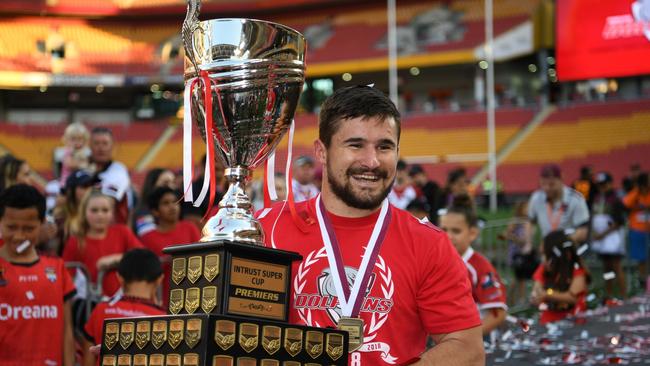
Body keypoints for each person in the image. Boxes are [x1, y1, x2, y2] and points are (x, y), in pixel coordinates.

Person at [257, 85, 483, 365]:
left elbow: (468, 349)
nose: (372, 161)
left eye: (384, 147)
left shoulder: (428, 243)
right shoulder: (268, 228)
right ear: (322, 151)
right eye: (355, 145)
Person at [0, 184, 76, 365]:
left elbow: (67, 331)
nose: (19, 236)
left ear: (42, 224)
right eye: (11, 227)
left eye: (28, 229)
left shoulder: (56, 268)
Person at [81, 248, 165, 366]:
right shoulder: (163, 318)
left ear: (119, 278)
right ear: (159, 280)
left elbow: (88, 359)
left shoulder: (101, 310)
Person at [439, 194, 507, 337]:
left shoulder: (480, 267)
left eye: (456, 231)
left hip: (474, 342)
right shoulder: (434, 261)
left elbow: (498, 313)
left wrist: (466, 340)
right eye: (444, 229)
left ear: (472, 233)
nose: (448, 236)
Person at [62, 189, 143, 296]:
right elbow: (66, 279)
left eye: (105, 210)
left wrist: (115, 259)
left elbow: (144, 257)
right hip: (90, 304)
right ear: (84, 212)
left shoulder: (122, 232)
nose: (100, 215)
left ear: (112, 212)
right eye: (94, 210)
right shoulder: (76, 241)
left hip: (123, 301)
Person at [140, 186, 200, 305]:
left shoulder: (190, 228)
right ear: (155, 211)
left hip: (191, 296)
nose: (172, 207)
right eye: (166, 203)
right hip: (161, 300)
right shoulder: (147, 238)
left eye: (175, 202)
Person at [530, 230, 590, 324]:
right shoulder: (544, 268)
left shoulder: (576, 269)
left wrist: (547, 295)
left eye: (545, 254)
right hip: (548, 320)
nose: (543, 259)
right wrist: (535, 296)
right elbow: (537, 289)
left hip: (574, 320)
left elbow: (572, 298)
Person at [526, 164, 590, 246]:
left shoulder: (576, 199)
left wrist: (560, 243)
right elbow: (530, 222)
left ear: (561, 180)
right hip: (547, 251)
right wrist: (528, 244)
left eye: (551, 184)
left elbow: (583, 231)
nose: (547, 188)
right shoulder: (536, 197)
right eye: (543, 184)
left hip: (570, 250)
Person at [591, 172, 627, 300]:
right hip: (601, 240)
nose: (602, 187)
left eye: (604, 184)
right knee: (607, 268)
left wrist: (602, 234)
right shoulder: (597, 198)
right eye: (600, 185)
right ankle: (609, 294)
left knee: (616, 266)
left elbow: (618, 222)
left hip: (613, 238)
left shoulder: (616, 199)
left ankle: (624, 296)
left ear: (610, 184)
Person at [88, 127, 132, 225]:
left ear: (112, 146)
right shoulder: (82, 170)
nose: (101, 148)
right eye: (96, 143)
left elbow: (107, 203)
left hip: (114, 229)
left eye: (105, 143)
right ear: (90, 146)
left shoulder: (118, 171)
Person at [499, 200, 537, 306]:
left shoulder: (528, 222)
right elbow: (508, 234)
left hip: (526, 253)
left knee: (519, 279)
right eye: (526, 207)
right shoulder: (516, 221)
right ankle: (517, 300)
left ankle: (511, 299)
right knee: (520, 279)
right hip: (517, 254)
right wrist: (513, 237)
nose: (528, 210)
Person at [623, 172, 650, 288]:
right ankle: (643, 280)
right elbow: (625, 203)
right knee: (641, 258)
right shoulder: (635, 193)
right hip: (638, 230)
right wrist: (638, 191)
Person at [132, 167, 176, 236]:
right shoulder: (142, 212)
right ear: (152, 185)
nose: (171, 187)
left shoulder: (178, 208)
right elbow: (149, 239)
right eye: (165, 183)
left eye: (173, 182)